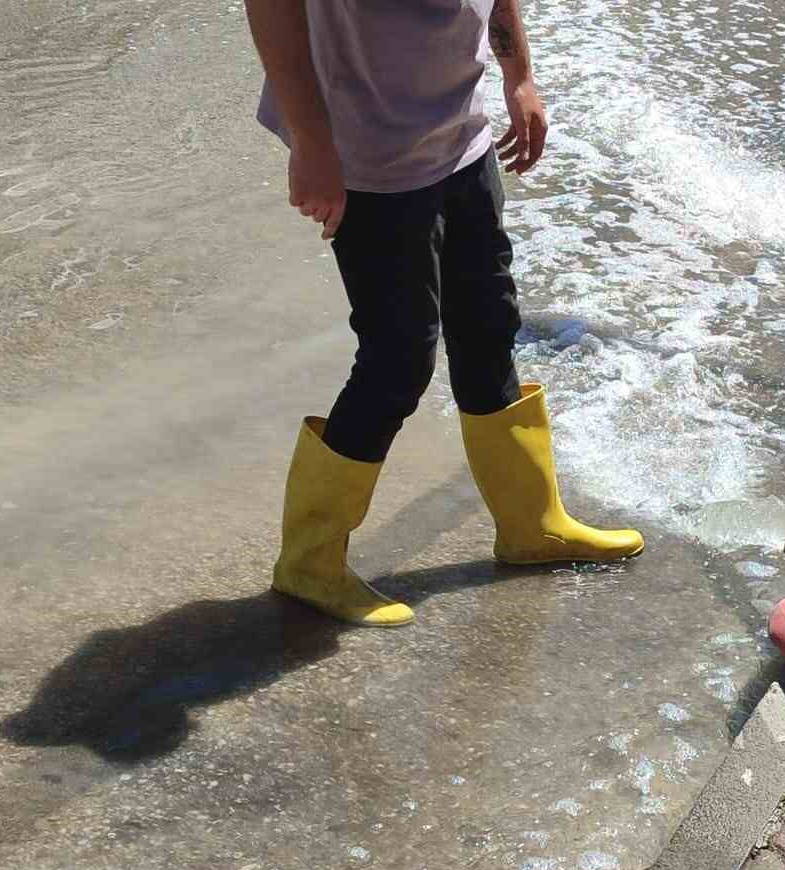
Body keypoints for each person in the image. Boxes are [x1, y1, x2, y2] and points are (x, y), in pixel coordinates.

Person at [243, 0, 644, 628]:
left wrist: (519, 76)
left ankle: (531, 526)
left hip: (461, 140)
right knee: (397, 359)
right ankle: (309, 564)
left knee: (489, 330)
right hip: (368, 158)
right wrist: (312, 143)